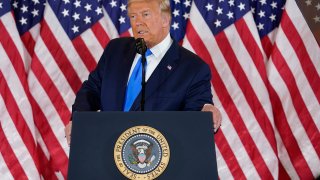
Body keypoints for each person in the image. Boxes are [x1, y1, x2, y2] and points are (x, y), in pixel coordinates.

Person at [65, 0, 221, 145]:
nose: (137, 22)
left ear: (165, 19)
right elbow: (92, 90)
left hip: (158, 162)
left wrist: (206, 112)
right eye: (133, 16)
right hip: (107, 153)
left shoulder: (193, 68)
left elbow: (198, 112)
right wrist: (79, 120)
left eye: (145, 14)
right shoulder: (115, 49)